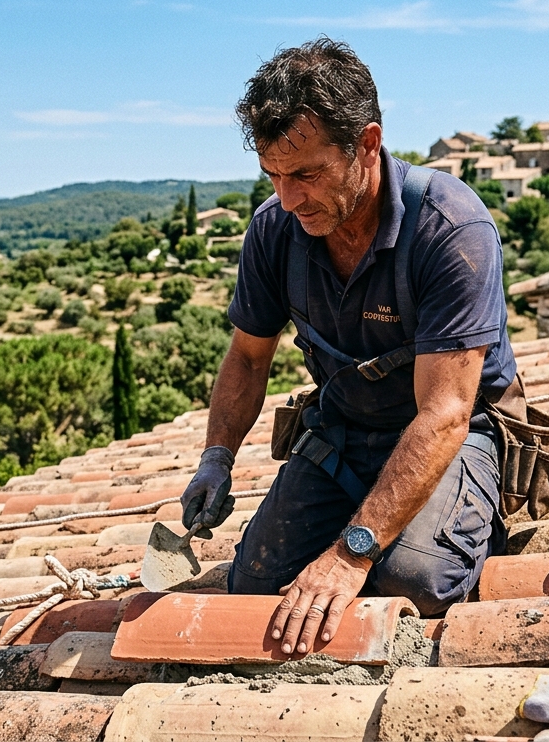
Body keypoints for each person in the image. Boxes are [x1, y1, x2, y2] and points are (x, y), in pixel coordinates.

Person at [181, 38, 519, 658]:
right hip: (344, 434)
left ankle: (458, 524)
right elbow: (249, 357)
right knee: (253, 585)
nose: (288, 198)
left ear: (367, 144)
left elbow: (445, 413)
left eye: (306, 174)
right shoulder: (275, 230)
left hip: (451, 435)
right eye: (274, 176)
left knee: (411, 581)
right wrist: (217, 458)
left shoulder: (450, 228)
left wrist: (349, 554)